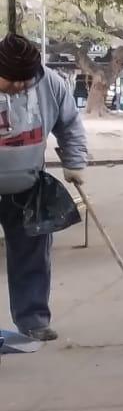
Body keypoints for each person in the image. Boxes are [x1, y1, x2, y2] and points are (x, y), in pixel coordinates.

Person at [0, 34, 88, 342]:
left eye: (25, 80)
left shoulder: (50, 83)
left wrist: (74, 162)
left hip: (27, 184)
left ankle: (33, 319)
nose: (19, 86)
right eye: (11, 81)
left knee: (32, 255)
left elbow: (70, 124)